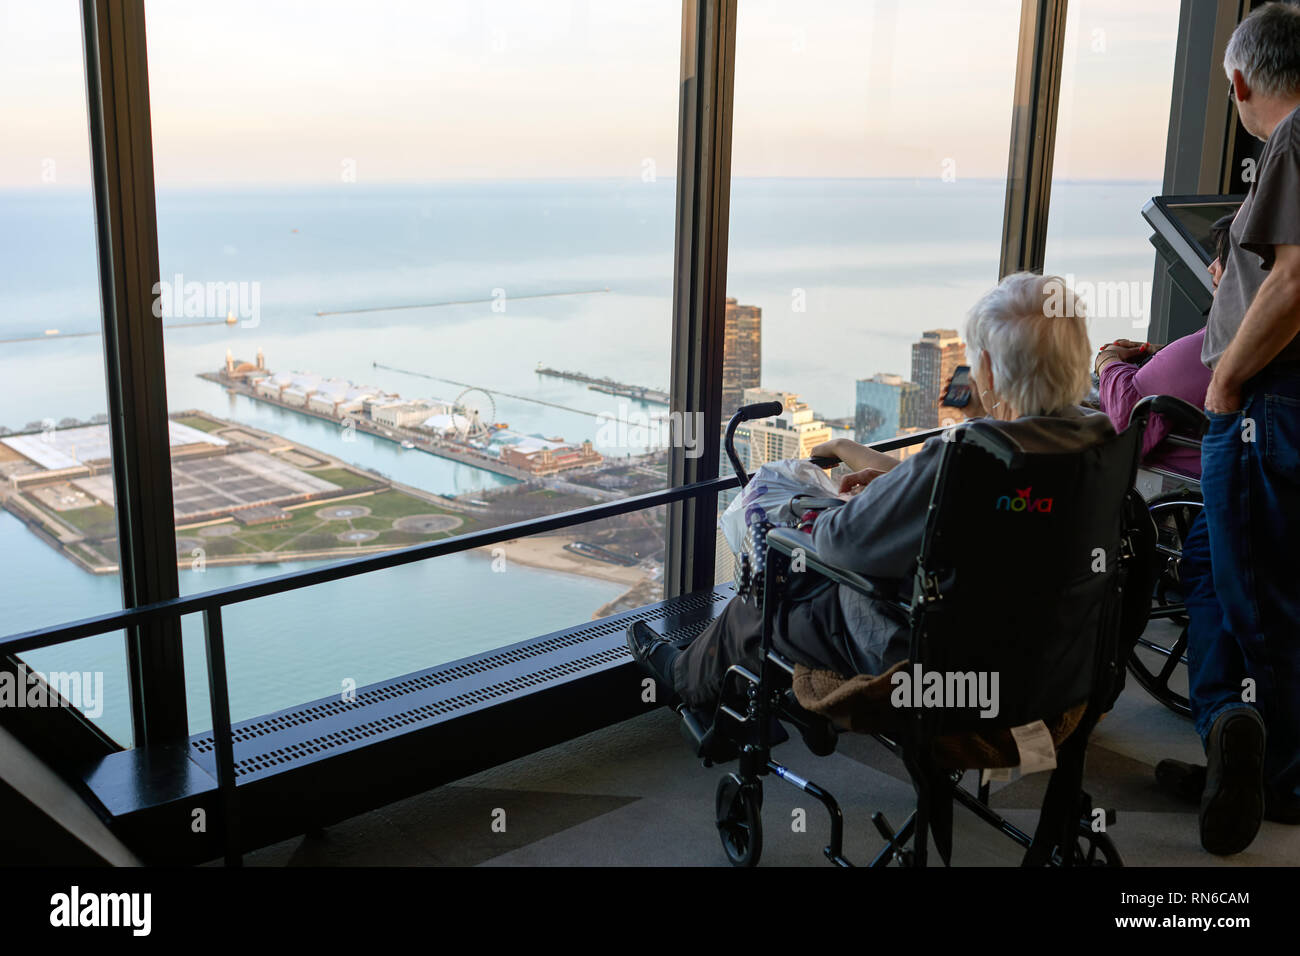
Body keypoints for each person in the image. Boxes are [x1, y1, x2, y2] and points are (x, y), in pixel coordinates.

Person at [627, 272, 1112, 715]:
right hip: (1048, 655)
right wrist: (888, 485)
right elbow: (996, 519)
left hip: (931, 662)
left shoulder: (968, 456)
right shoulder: (1097, 442)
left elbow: (841, 545)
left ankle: (683, 679)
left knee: (763, 595)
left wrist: (854, 506)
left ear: (986, 367)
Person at [1167, 2, 1300, 857]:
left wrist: (1224, 379)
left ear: (1243, 80)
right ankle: (1229, 739)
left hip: (1265, 406)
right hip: (1267, 409)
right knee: (1215, 566)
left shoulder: (1293, 139)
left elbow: (1295, 281)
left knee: (1261, 597)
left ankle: (1275, 775)